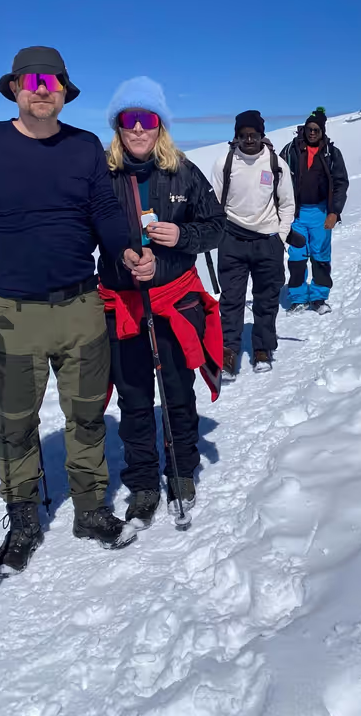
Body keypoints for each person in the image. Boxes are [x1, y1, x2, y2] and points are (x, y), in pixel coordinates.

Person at [0, 47, 145, 576]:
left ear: (64, 90)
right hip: (13, 313)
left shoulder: (83, 147)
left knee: (85, 415)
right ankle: (24, 517)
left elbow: (103, 209)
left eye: (52, 80)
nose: (41, 88)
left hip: (81, 305)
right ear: (14, 87)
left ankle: (91, 509)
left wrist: (124, 247)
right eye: (31, 79)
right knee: (16, 422)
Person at [97, 78, 225, 526]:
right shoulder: (103, 175)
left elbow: (216, 226)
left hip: (174, 302)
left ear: (159, 127)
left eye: (146, 120)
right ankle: (145, 481)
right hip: (124, 304)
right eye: (128, 120)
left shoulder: (182, 171)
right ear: (118, 127)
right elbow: (84, 235)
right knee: (133, 401)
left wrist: (183, 236)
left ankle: (182, 471)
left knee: (176, 393)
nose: (137, 129)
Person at [211, 110, 295, 375]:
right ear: (236, 137)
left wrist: (280, 237)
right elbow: (214, 203)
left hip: (267, 242)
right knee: (231, 300)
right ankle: (228, 351)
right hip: (232, 240)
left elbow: (288, 204)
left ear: (262, 135)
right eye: (243, 135)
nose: (249, 139)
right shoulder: (224, 162)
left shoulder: (276, 164)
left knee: (266, 299)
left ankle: (262, 348)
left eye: (254, 134)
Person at [281, 108, 349, 316]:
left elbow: (340, 183)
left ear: (322, 131)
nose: (312, 133)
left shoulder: (331, 153)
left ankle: (319, 297)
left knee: (320, 256)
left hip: (321, 212)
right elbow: (278, 178)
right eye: (309, 129)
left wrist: (334, 212)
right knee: (297, 256)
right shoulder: (290, 150)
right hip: (296, 213)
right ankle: (299, 297)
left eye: (316, 130)